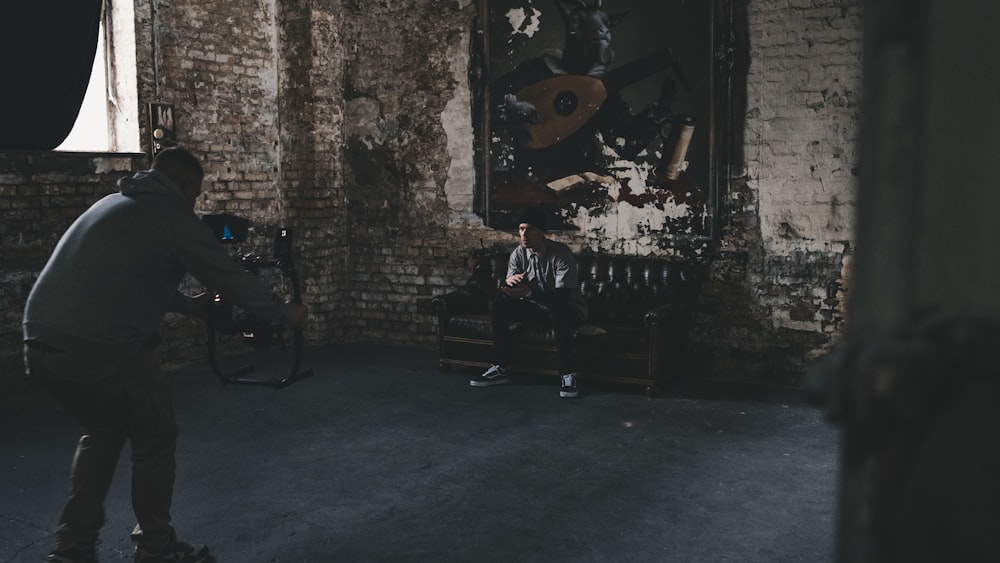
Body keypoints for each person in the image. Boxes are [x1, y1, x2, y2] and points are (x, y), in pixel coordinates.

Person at [22, 147, 309, 563]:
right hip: (103, 351)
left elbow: (121, 278)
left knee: (102, 433)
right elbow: (228, 277)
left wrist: (187, 305)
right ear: (186, 186)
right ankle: (155, 548)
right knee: (154, 437)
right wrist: (286, 313)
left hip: (42, 343)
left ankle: (72, 548)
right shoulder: (174, 216)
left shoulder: (113, 203)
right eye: (195, 194)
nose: (194, 203)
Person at [470, 207, 588, 397]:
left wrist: (529, 294)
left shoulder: (561, 253)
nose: (524, 234)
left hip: (568, 307)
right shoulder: (518, 253)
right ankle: (499, 367)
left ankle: (568, 374)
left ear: (541, 231)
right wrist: (510, 284)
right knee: (500, 305)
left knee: (559, 313)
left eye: (530, 229)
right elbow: (513, 284)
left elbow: (562, 297)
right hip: (537, 306)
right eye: (521, 229)